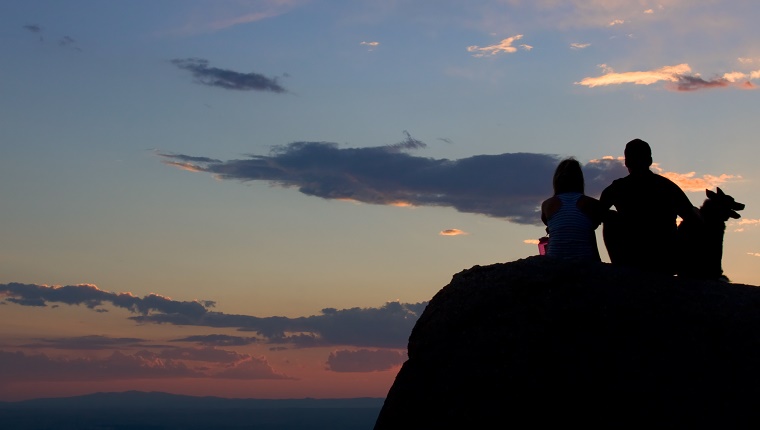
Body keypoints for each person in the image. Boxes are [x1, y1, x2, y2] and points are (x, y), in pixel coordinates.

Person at [600, 138, 701, 275]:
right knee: (692, 221)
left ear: (626, 162)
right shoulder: (668, 186)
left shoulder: (617, 188)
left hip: (631, 258)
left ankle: (621, 269)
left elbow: (596, 215)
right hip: (666, 260)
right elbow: (692, 218)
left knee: (610, 217)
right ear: (650, 161)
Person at [541, 158, 604, 261]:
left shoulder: (547, 205)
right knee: (589, 230)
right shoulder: (591, 203)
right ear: (580, 180)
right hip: (585, 261)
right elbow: (595, 223)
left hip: (554, 261)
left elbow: (549, 224)